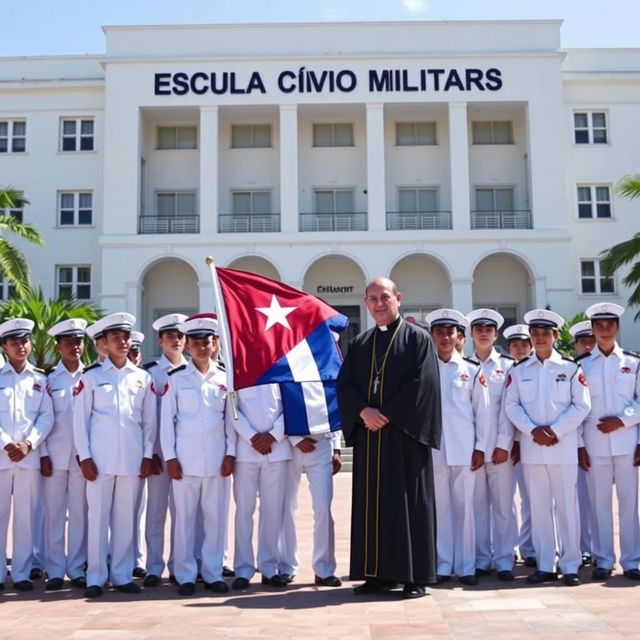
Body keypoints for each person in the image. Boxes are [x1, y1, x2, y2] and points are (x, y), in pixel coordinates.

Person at [337, 277, 441, 599]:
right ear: (366, 303)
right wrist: (363, 413)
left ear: (398, 298)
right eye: (372, 299)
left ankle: (414, 577)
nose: (379, 304)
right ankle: (376, 574)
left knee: (409, 506)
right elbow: (345, 386)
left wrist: (387, 414)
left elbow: (421, 385)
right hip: (371, 439)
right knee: (373, 507)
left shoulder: (418, 339)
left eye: (385, 297)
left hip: (405, 437)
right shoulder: (359, 344)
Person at [504, 309, 591, 586]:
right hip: (532, 448)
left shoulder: (570, 368)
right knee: (539, 508)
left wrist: (554, 430)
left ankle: (571, 565)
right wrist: (532, 431)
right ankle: (545, 564)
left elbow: (582, 405)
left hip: (562, 448)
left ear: (555, 336)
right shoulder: (519, 371)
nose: (540, 338)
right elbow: (511, 405)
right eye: (535, 333)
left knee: (567, 508)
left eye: (545, 333)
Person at [73, 312, 157, 598]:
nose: (122, 342)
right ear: (103, 344)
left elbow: (149, 422)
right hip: (99, 460)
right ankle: (95, 576)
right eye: (115, 338)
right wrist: (84, 457)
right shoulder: (92, 378)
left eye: (125, 337)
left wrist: (147, 455)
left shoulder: (142, 378)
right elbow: (80, 421)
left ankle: (121, 575)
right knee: (97, 518)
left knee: (125, 519)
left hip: (132, 458)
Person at [160, 316, 234, 596]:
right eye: (196, 343)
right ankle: (186, 574)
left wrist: (231, 454)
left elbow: (230, 421)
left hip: (217, 461)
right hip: (185, 462)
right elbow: (167, 421)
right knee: (184, 522)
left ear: (215, 343)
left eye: (207, 342)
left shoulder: (226, 378)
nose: (202, 348)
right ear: (188, 346)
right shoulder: (176, 379)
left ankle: (213, 572)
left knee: (216, 521)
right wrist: (170, 458)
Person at [425, 308, 491, 586]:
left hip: (465, 449)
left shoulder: (472, 370)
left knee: (466, 509)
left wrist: (480, 448)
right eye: (439, 332)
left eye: (449, 332)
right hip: (434, 449)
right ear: (432, 336)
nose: (444, 337)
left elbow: (483, 413)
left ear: (457, 336)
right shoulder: (423, 370)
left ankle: (466, 567)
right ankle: (442, 565)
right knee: (440, 509)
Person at [577, 303, 640, 581]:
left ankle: (632, 560)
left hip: (627, 443)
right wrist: (579, 445)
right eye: (599, 325)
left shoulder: (633, 362)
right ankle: (603, 559)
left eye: (610, 324)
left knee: (629, 505)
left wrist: (624, 420)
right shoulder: (581, 365)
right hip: (594, 445)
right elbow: (576, 407)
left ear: (617, 327)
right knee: (598, 504)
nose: (604, 330)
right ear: (592, 329)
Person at [0, 318, 54, 592]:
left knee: (25, 518)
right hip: (1, 458)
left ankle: (21, 573)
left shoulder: (39, 379)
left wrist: (29, 444)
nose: (21, 346)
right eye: (14, 342)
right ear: (5, 347)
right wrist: (6, 443)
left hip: (28, 458)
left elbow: (46, 416)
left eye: (25, 341)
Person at [467, 309, 517, 581]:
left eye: (488, 329)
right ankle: (481, 559)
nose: (484, 333)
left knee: (502, 506)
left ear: (496, 334)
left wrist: (502, 444)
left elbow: (508, 409)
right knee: (477, 507)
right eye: (478, 329)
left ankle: (505, 560)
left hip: (500, 450)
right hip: (473, 450)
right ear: (472, 334)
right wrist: (474, 446)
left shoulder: (508, 366)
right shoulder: (465, 365)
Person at [139, 313, 187, 587]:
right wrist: (150, 452)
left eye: (180, 335)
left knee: (183, 514)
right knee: (156, 513)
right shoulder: (148, 374)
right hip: (158, 454)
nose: (176, 340)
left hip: (186, 455)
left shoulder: (195, 370)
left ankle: (181, 565)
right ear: (160, 340)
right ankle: (154, 566)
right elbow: (147, 418)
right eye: (170, 335)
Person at [228, 382, 291, 591]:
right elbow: (232, 406)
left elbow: (291, 405)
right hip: (247, 450)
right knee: (244, 511)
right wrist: (252, 437)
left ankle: (269, 568)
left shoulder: (280, 370)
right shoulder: (240, 368)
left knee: (272, 511)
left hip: (277, 448)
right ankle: (243, 569)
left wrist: (273, 435)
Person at [40, 318, 88, 590]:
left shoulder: (91, 376)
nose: (74, 346)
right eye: (68, 342)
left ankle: (77, 568)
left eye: (78, 341)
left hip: (83, 460)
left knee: (80, 514)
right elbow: (44, 419)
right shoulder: (48, 379)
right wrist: (44, 454)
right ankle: (55, 569)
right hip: (55, 457)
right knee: (54, 514)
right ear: (57, 347)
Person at [278, 405, 343, 587]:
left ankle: (324, 569)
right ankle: (286, 565)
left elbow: (332, 405)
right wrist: (295, 439)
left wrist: (336, 447)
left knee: (323, 506)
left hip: (322, 442)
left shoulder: (326, 374)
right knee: (286, 506)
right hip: (288, 443)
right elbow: (281, 405)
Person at [503, 324, 536, 567]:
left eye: (524, 344)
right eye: (515, 345)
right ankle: (511, 546)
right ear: (508, 348)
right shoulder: (504, 370)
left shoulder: (538, 370)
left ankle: (531, 547)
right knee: (506, 500)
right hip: (506, 447)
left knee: (532, 499)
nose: (520, 348)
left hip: (532, 443)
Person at [569, 319, 596, 567]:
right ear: (576, 345)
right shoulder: (572, 368)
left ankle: (601, 551)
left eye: (591, 340)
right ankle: (584, 548)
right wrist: (577, 443)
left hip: (612, 441)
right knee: (581, 500)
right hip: (576, 443)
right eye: (583, 341)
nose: (587, 345)